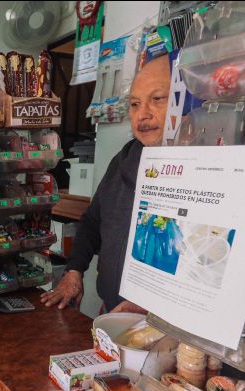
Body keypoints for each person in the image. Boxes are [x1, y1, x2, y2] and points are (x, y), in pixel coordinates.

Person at [42, 55, 171, 314]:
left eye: (157, 99)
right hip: (113, 314)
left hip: (164, 330)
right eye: (135, 104)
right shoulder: (125, 158)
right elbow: (92, 221)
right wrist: (74, 270)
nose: (143, 114)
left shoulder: (205, 167)